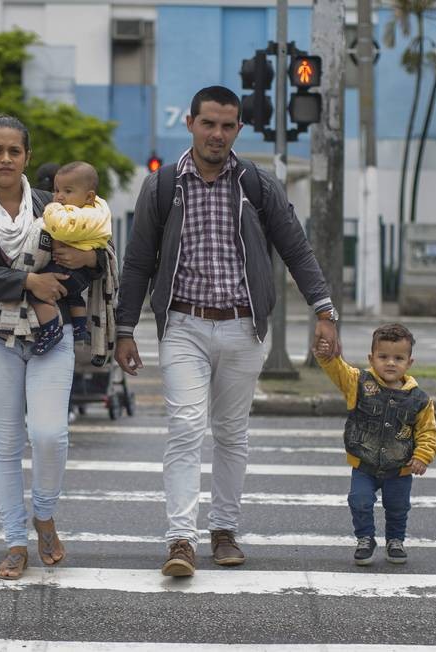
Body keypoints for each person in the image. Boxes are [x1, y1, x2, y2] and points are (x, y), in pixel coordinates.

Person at [115, 85, 340, 577]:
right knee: (186, 428)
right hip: (183, 326)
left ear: (238, 129)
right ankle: (180, 539)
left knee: (232, 434)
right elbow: (137, 263)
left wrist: (324, 309)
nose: (216, 134)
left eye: (226, 125)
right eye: (208, 123)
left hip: (243, 326)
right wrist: (124, 327)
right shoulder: (163, 185)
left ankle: (223, 531)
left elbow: (296, 250)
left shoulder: (256, 185)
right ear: (191, 123)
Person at [0, 115, 107, 580]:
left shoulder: (52, 203)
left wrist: (90, 257)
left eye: (15, 150)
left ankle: (44, 513)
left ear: (27, 157)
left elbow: (97, 249)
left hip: (49, 338)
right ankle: (15, 541)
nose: (6, 158)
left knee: (50, 434)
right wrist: (26, 280)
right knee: (5, 441)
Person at [313, 323, 436, 566]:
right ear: (371, 358)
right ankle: (365, 538)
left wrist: (423, 455)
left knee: (398, 507)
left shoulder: (419, 399)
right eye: (383, 357)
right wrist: (327, 356)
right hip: (364, 463)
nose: (390, 363)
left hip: (400, 468)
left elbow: (428, 431)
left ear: (409, 363)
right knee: (358, 500)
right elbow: (338, 370)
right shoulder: (359, 383)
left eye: (398, 358)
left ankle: (395, 540)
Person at [0, 161, 112, 354]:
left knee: (37, 291)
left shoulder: (71, 214)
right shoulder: (98, 213)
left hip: (66, 270)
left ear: (89, 196)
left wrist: (88, 257)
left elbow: (60, 230)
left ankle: (51, 329)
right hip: (80, 275)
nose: (58, 196)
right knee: (74, 296)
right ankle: (80, 328)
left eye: (66, 191)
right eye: (57, 190)